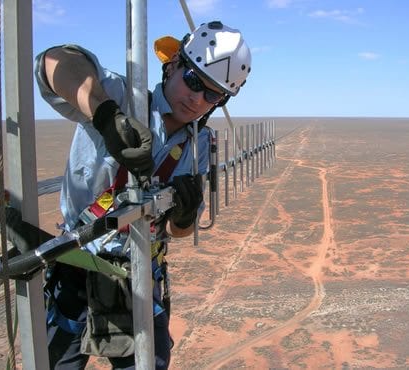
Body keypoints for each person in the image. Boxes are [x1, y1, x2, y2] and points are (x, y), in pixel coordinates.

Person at [31, 20, 251, 369]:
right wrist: (104, 114)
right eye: (194, 81)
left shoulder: (200, 146)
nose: (198, 99)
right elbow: (52, 63)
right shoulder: (122, 98)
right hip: (77, 266)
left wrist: (184, 213)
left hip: (140, 277)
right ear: (175, 64)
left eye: (214, 95)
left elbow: (180, 232)